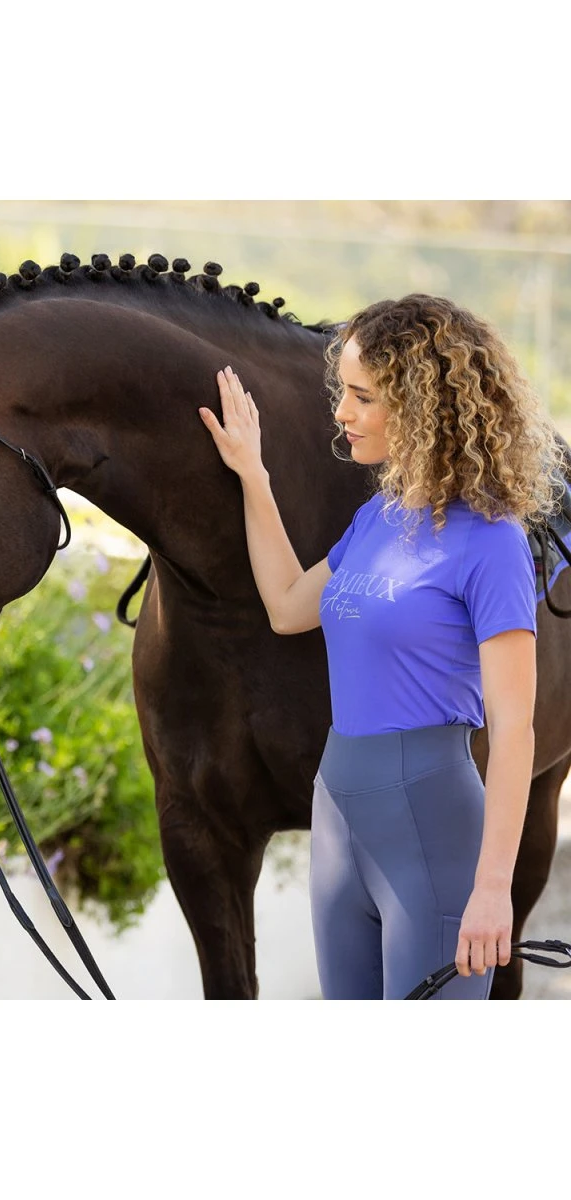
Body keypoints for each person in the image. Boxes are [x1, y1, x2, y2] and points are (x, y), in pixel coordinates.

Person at [198, 293, 566, 1000]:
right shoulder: (378, 518)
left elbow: (514, 729)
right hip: (338, 818)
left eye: (363, 397)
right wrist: (253, 474)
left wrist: (494, 888)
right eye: (343, 391)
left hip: (433, 832)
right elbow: (287, 606)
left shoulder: (493, 542)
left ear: (423, 404)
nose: (341, 412)